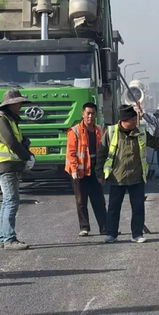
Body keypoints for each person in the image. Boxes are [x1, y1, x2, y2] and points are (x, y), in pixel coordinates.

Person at [95, 104, 159, 243]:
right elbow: (101, 154)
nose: (135, 122)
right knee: (114, 208)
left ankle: (137, 234)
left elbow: (157, 142)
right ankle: (111, 234)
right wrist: (99, 174)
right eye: (133, 119)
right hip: (117, 177)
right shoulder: (111, 132)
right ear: (124, 120)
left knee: (138, 207)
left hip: (137, 177)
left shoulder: (141, 132)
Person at [0, 89, 35, 250]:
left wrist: (25, 147)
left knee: (7, 201)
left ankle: (4, 238)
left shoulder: (10, 120)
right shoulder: (2, 120)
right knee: (11, 200)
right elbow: (11, 142)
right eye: (19, 103)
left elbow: (18, 141)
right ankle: (9, 239)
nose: (21, 106)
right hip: (6, 164)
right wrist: (26, 156)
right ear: (11, 104)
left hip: (9, 165)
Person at [66, 102, 107, 237]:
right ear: (83, 114)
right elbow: (71, 153)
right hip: (80, 172)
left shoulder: (99, 130)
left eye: (93, 113)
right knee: (81, 201)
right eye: (88, 113)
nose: (90, 116)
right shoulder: (75, 131)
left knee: (99, 200)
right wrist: (74, 170)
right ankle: (84, 227)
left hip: (95, 170)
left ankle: (104, 228)